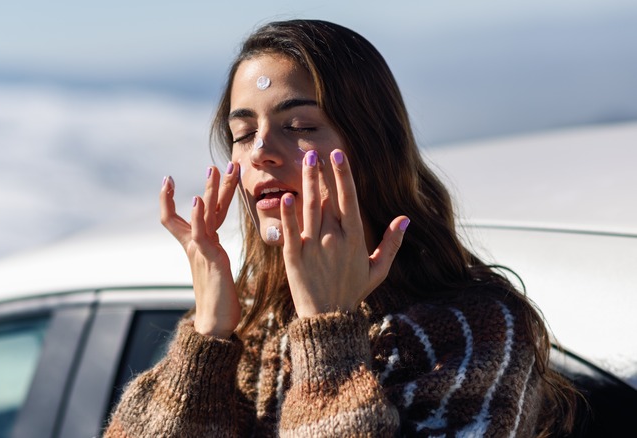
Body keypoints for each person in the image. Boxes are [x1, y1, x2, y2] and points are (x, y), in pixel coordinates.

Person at [104, 19, 576, 437]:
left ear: (372, 146)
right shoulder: (247, 320)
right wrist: (206, 341)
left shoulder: (474, 329)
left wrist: (326, 335)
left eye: (300, 125)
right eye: (243, 133)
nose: (261, 151)